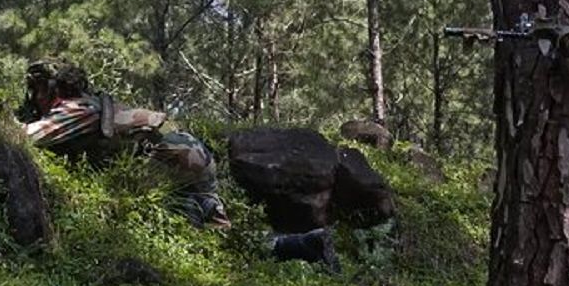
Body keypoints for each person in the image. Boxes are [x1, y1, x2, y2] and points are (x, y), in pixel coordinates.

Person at [18, 59, 338, 268]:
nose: (35, 99)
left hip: (167, 159)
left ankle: (193, 234)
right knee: (224, 240)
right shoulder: (99, 104)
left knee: (172, 227)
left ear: (51, 88)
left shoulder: (76, 109)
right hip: (193, 153)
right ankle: (304, 244)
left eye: (36, 91)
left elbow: (27, 137)